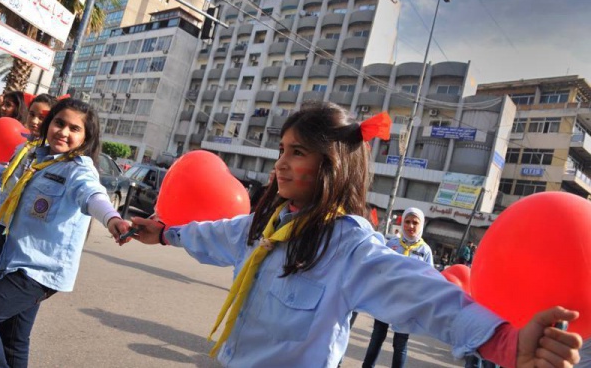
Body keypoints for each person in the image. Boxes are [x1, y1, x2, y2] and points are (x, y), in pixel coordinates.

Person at [129, 102, 582, 367]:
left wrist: (505, 343)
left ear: (331, 166)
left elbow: (421, 294)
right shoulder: (266, 225)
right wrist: (165, 233)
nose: (281, 163)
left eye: (298, 153)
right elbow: (214, 235)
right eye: (281, 150)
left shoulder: (348, 245)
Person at [0, 98, 131, 367]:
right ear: (49, 123)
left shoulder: (78, 169)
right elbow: (8, 177)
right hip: (14, 259)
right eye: (59, 123)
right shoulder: (34, 156)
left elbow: (92, 194)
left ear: (86, 137)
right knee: (14, 339)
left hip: (39, 270)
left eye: (74, 129)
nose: (64, 132)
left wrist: (112, 217)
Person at [362, 207, 434, 368]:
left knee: (400, 344)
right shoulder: (392, 244)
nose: (411, 226)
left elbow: (430, 279)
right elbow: (381, 268)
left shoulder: (425, 251)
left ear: (421, 225)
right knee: (376, 338)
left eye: (415, 222)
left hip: (407, 303)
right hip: (386, 299)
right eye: (407, 222)